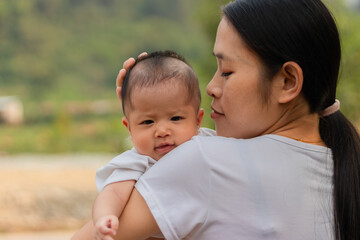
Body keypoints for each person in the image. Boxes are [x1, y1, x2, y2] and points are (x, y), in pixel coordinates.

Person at [76, 0, 360, 239]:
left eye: (226, 71)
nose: (211, 87)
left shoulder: (206, 162)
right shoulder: (346, 166)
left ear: (287, 82)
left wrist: (142, 113)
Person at [72, 51, 215, 240]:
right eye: (148, 122)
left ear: (198, 120)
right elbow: (113, 193)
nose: (162, 131)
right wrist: (105, 217)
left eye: (176, 118)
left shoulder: (208, 143)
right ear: (129, 128)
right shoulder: (138, 162)